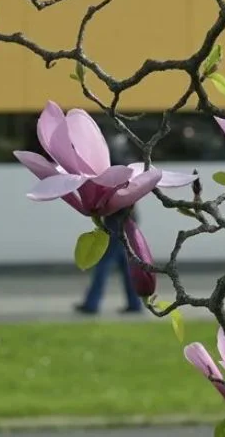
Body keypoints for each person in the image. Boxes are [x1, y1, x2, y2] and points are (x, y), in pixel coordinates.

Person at [74, 132, 143, 315]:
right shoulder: (128, 163)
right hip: (126, 220)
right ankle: (134, 303)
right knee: (126, 264)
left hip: (116, 221)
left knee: (104, 262)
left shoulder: (116, 166)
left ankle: (92, 303)